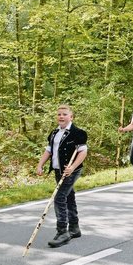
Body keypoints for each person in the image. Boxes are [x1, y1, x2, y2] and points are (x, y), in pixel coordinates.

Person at [36, 105, 88, 248]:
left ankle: (62, 232)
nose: (61, 116)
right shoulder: (54, 133)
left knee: (59, 197)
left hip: (71, 171)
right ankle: (74, 228)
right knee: (68, 196)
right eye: (59, 114)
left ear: (71, 117)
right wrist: (40, 164)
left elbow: (83, 151)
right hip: (58, 171)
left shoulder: (77, 133)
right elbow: (49, 150)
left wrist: (72, 167)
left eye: (64, 114)